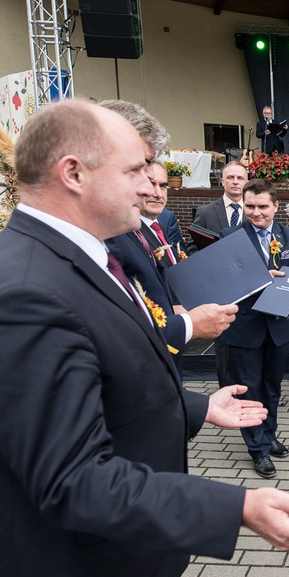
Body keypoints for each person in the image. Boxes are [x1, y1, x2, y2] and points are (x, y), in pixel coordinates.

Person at [0, 100, 289, 577]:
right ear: (73, 173)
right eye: (136, 169)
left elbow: (109, 377)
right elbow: (71, 479)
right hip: (84, 562)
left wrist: (196, 408)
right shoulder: (27, 291)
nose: (150, 185)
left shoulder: (79, 256)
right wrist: (234, 506)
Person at [101, 100, 235, 374]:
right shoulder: (108, 237)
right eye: (137, 171)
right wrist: (189, 324)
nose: (151, 191)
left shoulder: (147, 226)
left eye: (161, 184)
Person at [219, 179, 289, 478]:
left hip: (280, 325)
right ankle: (257, 449)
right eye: (250, 206)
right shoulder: (230, 236)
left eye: (262, 207)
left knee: (272, 387)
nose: (256, 213)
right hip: (246, 327)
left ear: (276, 206)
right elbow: (225, 284)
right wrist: (258, 279)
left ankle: (269, 435)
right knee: (250, 388)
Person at [191, 160, 250, 387]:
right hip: (220, 288)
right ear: (222, 181)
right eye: (231, 177)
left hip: (250, 286)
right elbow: (192, 248)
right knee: (224, 342)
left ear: (246, 182)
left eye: (240, 178)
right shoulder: (206, 212)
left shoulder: (255, 209)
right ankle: (228, 390)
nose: (235, 182)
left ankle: (254, 389)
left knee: (251, 341)